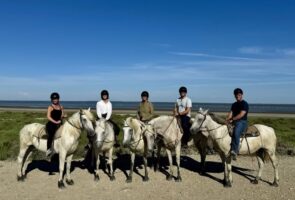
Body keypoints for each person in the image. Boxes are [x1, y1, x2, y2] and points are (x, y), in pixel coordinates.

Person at [226, 88, 249, 161]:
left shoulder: (244, 104)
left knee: (236, 133)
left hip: (242, 122)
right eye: (236, 95)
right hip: (234, 121)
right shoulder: (234, 104)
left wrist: (232, 119)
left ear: (242, 95)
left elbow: (242, 114)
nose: (237, 96)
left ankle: (235, 151)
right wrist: (227, 119)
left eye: (239, 94)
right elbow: (231, 113)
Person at [46, 92, 64, 157]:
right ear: (51, 100)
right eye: (54, 99)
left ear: (58, 99)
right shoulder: (50, 107)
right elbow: (48, 117)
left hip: (59, 123)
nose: (55, 100)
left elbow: (61, 115)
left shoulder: (61, 107)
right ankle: (48, 149)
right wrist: (55, 122)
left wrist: (64, 116)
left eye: (56, 99)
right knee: (51, 134)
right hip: (51, 124)